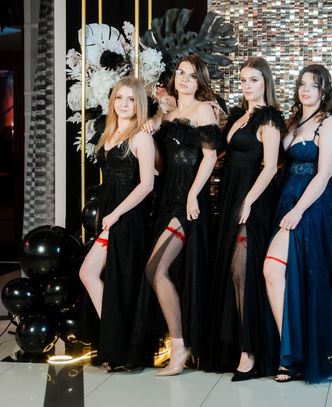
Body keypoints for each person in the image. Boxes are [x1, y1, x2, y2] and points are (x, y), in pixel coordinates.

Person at [135, 55, 222, 376]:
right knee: (161, 272)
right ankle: (179, 343)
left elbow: (210, 157)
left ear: (200, 81)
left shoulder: (204, 110)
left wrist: (193, 195)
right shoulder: (168, 113)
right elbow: (160, 161)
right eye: (181, 73)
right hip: (166, 197)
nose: (184, 79)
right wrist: (151, 125)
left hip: (187, 200)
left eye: (192, 75)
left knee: (155, 270)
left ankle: (180, 345)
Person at [207, 56, 285, 381]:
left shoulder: (269, 119)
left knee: (243, 269)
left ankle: (249, 351)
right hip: (230, 197)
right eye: (243, 80)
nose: (247, 86)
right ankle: (236, 345)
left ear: (265, 82)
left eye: (253, 80)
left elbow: (270, 167)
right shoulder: (240, 116)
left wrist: (249, 201)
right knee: (231, 268)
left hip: (252, 199)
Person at [263, 64, 332, 383]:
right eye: (302, 84)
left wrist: (298, 210)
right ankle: (291, 352)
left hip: (311, 205)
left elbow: (324, 175)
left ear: (324, 91)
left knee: (276, 270)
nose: (306, 90)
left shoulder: (329, 123)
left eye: (314, 85)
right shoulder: (293, 122)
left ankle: (292, 355)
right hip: (286, 200)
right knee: (283, 275)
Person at [79, 76, 155, 371]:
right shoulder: (108, 132)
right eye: (120, 98)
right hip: (111, 213)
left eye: (131, 99)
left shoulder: (141, 137)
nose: (124, 104)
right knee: (100, 277)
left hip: (127, 216)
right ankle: (116, 341)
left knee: (95, 274)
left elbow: (146, 185)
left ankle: (119, 343)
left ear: (139, 104)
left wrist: (116, 214)